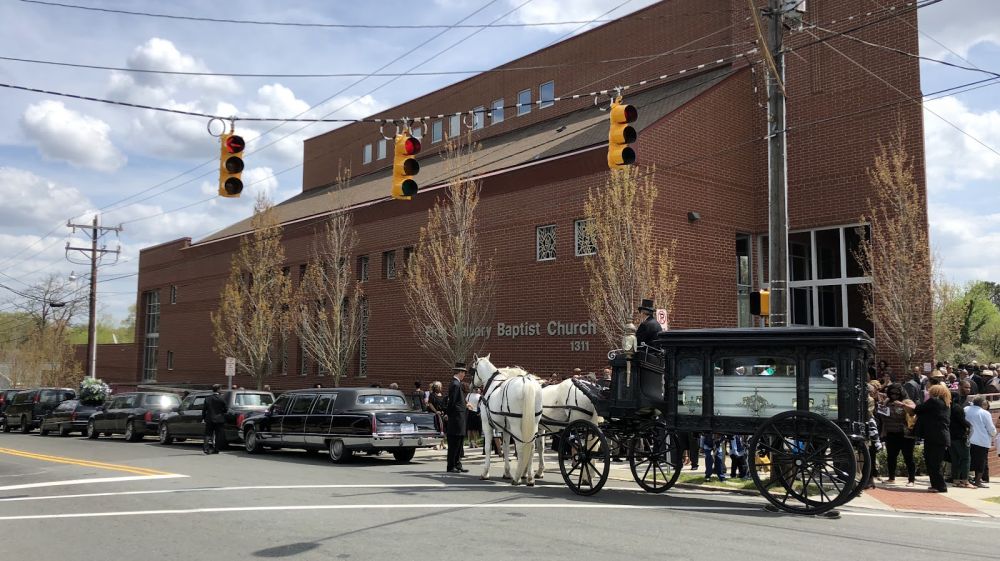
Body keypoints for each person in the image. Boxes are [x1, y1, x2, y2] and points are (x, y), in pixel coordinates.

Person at [908, 384, 951, 492]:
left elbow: (919, 409)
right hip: (938, 437)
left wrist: (903, 404)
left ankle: (940, 486)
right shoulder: (944, 403)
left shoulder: (934, 401)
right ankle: (935, 485)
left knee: (933, 463)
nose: (929, 393)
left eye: (931, 391)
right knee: (932, 461)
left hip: (935, 437)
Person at [879, 383, 917, 486]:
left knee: (908, 457)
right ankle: (891, 478)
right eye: (891, 393)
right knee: (891, 456)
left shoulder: (906, 401)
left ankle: (911, 480)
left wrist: (903, 405)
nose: (894, 395)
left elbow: (914, 409)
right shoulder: (887, 402)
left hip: (905, 435)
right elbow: (884, 418)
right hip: (891, 433)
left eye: (897, 393)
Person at [966, 396, 996, 489]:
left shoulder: (966, 409)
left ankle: (966, 479)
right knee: (981, 462)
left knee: (968, 460)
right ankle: (978, 481)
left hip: (968, 439)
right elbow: (991, 428)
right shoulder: (985, 413)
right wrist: (994, 434)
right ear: (982, 404)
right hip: (981, 441)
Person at [445, 363, 469, 473]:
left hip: (460, 417)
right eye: (463, 372)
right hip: (456, 418)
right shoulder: (455, 384)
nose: (464, 374)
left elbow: (458, 401)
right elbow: (452, 402)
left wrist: (466, 404)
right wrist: (448, 414)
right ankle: (451, 466)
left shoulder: (457, 383)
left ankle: (457, 464)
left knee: (459, 442)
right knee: (454, 443)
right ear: (459, 372)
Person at [948, 390, 972, 488]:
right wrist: (969, 425)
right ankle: (965, 481)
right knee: (965, 458)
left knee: (955, 459)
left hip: (950, 437)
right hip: (960, 437)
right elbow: (962, 421)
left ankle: (956, 480)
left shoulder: (947, 408)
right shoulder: (957, 408)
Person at [202, 384, 228, 455]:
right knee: (218, 435)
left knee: (208, 434)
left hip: (209, 419)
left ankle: (205, 448)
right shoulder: (221, 398)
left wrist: (203, 418)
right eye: (221, 389)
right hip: (219, 419)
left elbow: (204, 410)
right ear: (218, 389)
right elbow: (226, 409)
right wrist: (221, 412)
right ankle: (216, 449)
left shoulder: (207, 398)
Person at [466, 384, 481, 449]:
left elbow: (466, 402)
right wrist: (480, 412)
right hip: (476, 412)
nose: (478, 390)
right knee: (475, 429)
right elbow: (480, 405)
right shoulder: (479, 396)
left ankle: (470, 443)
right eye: (477, 388)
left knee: (469, 429)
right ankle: (475, 442)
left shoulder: (468, 395)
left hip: (469, 412)